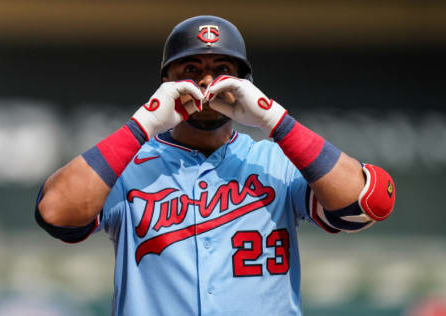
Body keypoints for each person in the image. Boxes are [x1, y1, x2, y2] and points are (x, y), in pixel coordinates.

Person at [35, 15, 396, 315]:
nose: (207, 81)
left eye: (222, 69)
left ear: (245, 84)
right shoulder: (127, 168)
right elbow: (54, 212)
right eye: (191, 69)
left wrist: (277, 122)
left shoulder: (277, 163)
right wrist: (141, 125)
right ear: (166, 84)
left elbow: (367, 203)